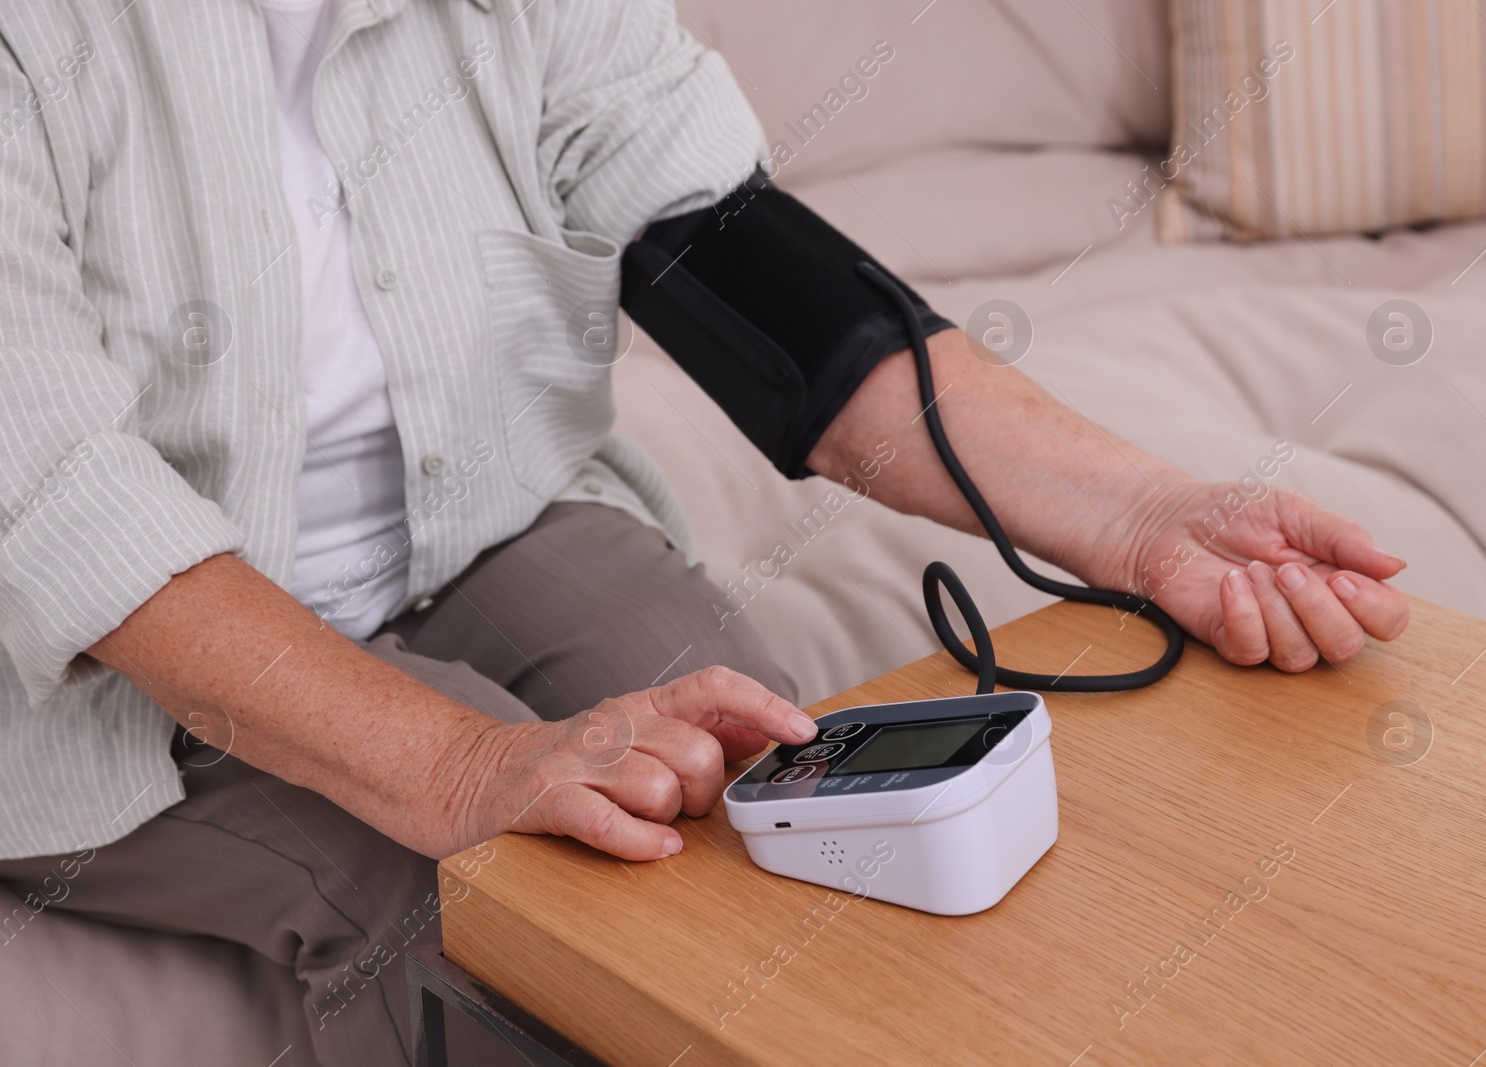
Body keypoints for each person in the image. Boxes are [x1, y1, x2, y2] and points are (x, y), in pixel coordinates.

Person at [0, 0, 1409, 1063]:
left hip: (478, 523)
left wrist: (1142, 513)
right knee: (486, 902)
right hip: (90, 660)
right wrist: (470, 766)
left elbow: (738, 265)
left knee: (794, 802)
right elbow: (59, 503)